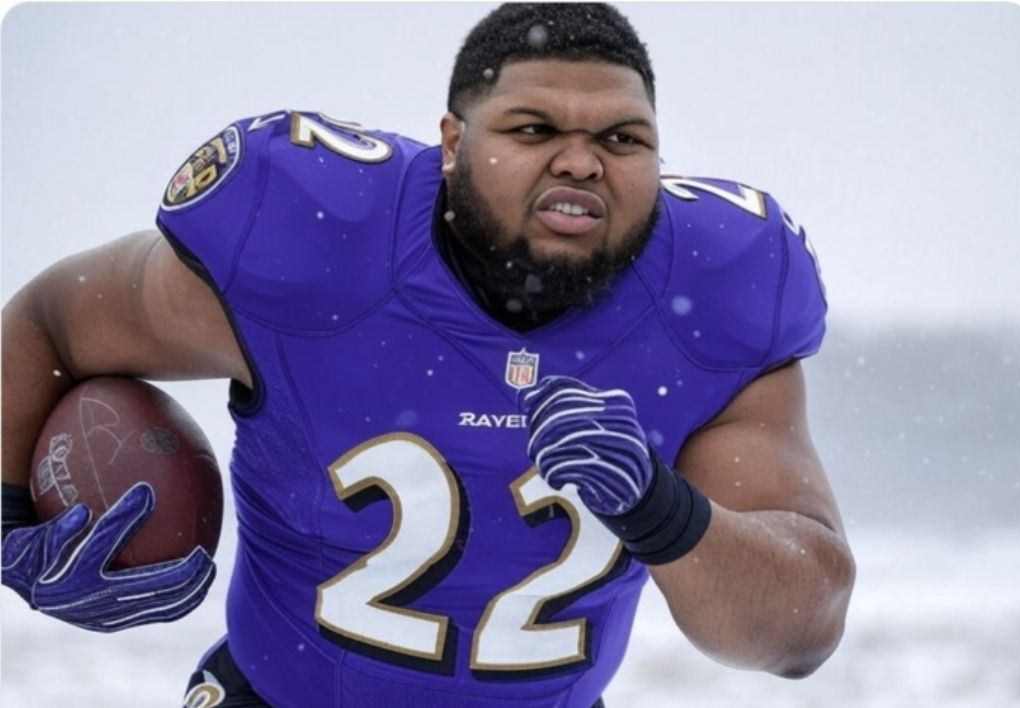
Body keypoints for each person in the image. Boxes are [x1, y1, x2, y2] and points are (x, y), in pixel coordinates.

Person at [1, 3, 855, 706]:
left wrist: (664, 513)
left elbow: (798, 633)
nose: (581, 162)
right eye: (534, 128)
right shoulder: (313, 241)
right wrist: (6, 521)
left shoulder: (719, 299)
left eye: (623, 139)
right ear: (452, 144)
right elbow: (49, 323)